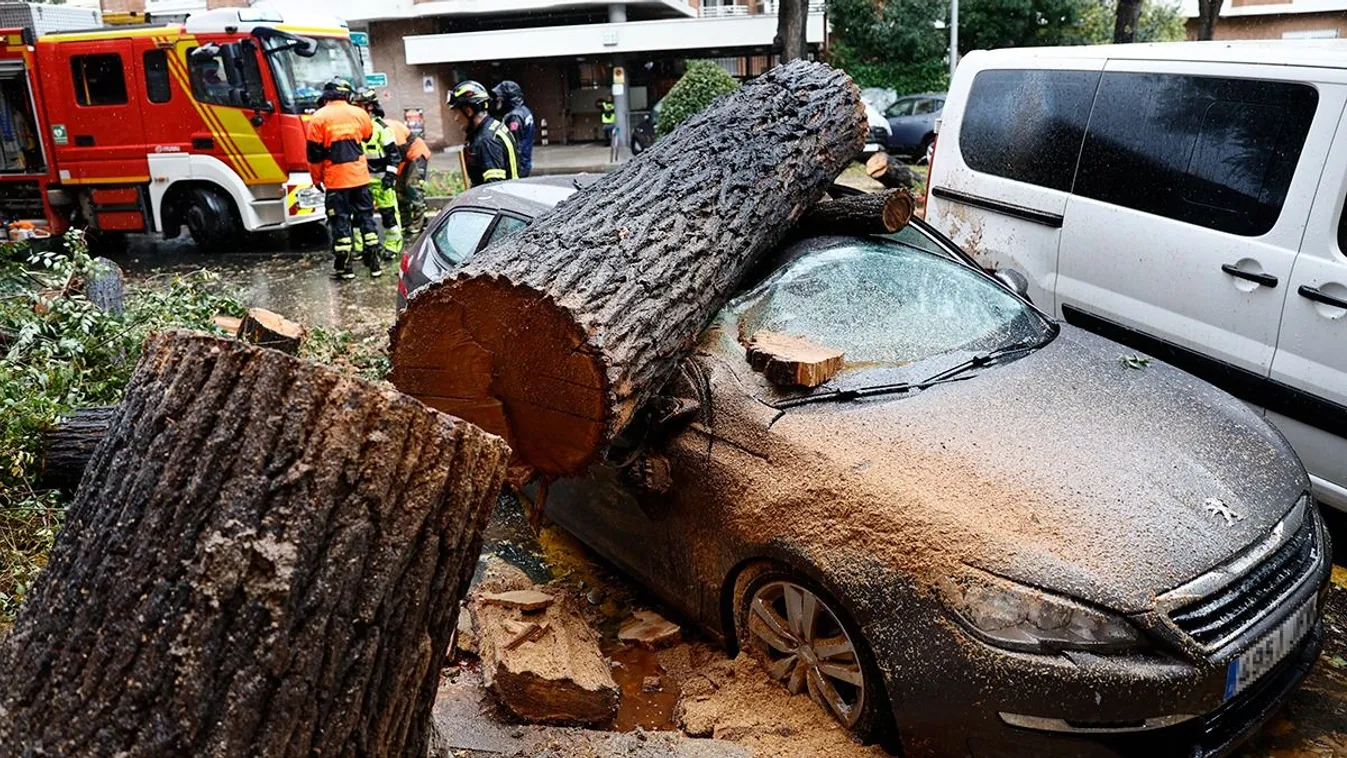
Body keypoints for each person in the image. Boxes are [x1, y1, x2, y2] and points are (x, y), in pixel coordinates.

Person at [305, 77, 381, 280]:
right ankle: (374, 263)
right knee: (366, 219)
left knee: (340, 222)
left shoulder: (318, 118)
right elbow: (367, 136)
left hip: (336, 181)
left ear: (326, 96)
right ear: (346, 95)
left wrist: (316, 179)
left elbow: (314, 155)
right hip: (360, 178)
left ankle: (344, 268)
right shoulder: (359, 113)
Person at [352, 87, 403, 262]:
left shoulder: (381, 128)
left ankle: (392, 246)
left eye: (361, 105)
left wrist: (390, 176)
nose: (357, 108)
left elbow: (394, 155)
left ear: (370, 107)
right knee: (359, 216)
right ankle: (361, 247)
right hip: (361, 182)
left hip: (382, 181)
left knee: (388, 215)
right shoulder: (353, 127)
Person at [448, 80, 518, 186]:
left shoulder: (486, 141)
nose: (456, 119)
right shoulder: (493, 126)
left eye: (456, 112)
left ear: (468, 111)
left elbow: (493, 188)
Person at [387, 115, 432, 237]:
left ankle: (419, 222)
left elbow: (399, 155)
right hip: (405, 158)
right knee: (399, 190)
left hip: (416, 153)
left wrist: (394, 176)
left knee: (412, 186)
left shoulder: (392, 130)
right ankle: (405, 221)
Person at [491, 80, 534, 178]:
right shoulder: (524, 111)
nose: (498, 99)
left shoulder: (515, 117)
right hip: (525, 162)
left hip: (519, 166)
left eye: (500, 97)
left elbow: (515, 145)